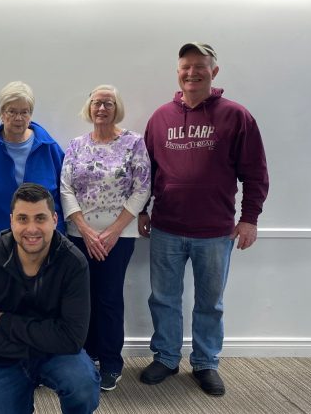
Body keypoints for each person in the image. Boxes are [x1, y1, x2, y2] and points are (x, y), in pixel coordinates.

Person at [138, 42, 269, 396]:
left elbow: (255, 173)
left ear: (214, 71)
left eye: (200, 66)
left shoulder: (236, 116)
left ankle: (206, 362)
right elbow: (145, 171)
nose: (192, 72)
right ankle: (166, 357)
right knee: (163, 298)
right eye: (185, 66)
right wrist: (142, 210)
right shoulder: (161, 117)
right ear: (177, 72)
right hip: (166, 227)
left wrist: (250, 218)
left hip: (215, 231)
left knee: (210, 302)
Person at [0, 183, 100, 414]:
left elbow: (73, 338)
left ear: (54, 219)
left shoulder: (73, 263)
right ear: (11, 221)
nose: (32, 228)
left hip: (57, 353)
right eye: (22, 219)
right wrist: (35, 345)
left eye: (40, 218)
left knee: (83, 387)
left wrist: (5, 322)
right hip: (6, 354)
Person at [60, 84, 151, 391]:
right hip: (79, 235)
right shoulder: (76, 145)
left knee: (109, 299)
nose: (101, 108)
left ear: (116, 108)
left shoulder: (133, 143)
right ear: (89, 107)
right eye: (96, 103)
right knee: (81, 298)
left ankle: (111, 362)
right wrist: (85, 231)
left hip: (119, 236)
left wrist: (112, 231)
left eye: (108, 104)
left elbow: (142, 188)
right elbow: (65, 188)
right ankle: (85, 358)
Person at [0, 81, 65, 246]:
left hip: (43, 236)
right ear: (1, 113)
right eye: (12, 111)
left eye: (24, 112)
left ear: (31, 114)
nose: (18, 118)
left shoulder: (49, 147)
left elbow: (65, 190)